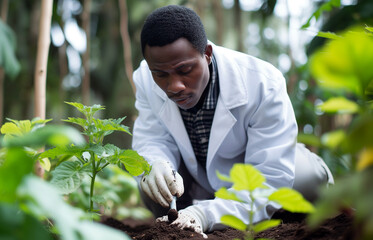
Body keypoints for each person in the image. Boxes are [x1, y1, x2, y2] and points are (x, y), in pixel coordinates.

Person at [131, 4, 334, 237]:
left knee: (306, 181)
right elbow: (152, 138)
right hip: (201, 181)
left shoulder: (263, 83)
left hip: (262, 169)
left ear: (207, 54)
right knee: (152, 185)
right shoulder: (145, 79)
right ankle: (187, 219)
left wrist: (204, 215)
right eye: (161, 74)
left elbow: (271, 176)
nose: (174, 86)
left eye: (185, 70)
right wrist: (156, 162)